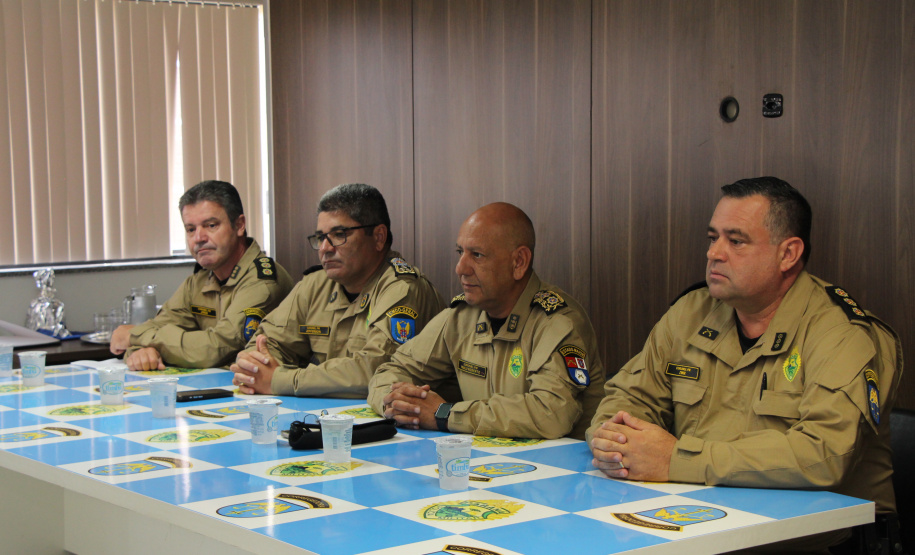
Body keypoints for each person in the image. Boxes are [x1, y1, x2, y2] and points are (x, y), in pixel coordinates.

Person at [588, 177, 901, 552]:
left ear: (788, 254)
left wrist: (676, 460)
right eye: (712, 237)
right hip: (702, 521)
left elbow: (825, 456)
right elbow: (626, 398)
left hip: (816, 541)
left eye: (735, 241)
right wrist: (615, 442)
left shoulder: (842, 333)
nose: (714, 253)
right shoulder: (691, 312)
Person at [367, 202, 605, 440]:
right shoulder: (461, 317)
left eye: (477, 255)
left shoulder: (558, 322)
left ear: (519, 262)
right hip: (486, 464)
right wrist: (395, 403)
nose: (460, 268)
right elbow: (391, 370)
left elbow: (550, 413)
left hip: (562, 469)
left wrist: (446, 414)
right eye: (460, 252)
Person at [230, 183, 444, 398]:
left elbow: (376, 371)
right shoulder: (315, 284)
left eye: (339, 234)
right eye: (321, 237)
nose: (325, 248)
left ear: (378, 237)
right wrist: (255, 369)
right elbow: (265, 343)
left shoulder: (402, 289)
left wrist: (280, 380)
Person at [110, 180, 294, 371]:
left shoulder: (262, 282)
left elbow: (215, 349)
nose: (199, 238)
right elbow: (156, 329)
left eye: (211, 225)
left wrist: (135, 336)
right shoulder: (199, 280)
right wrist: (142, 351)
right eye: (191, 229)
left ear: (239, 225)